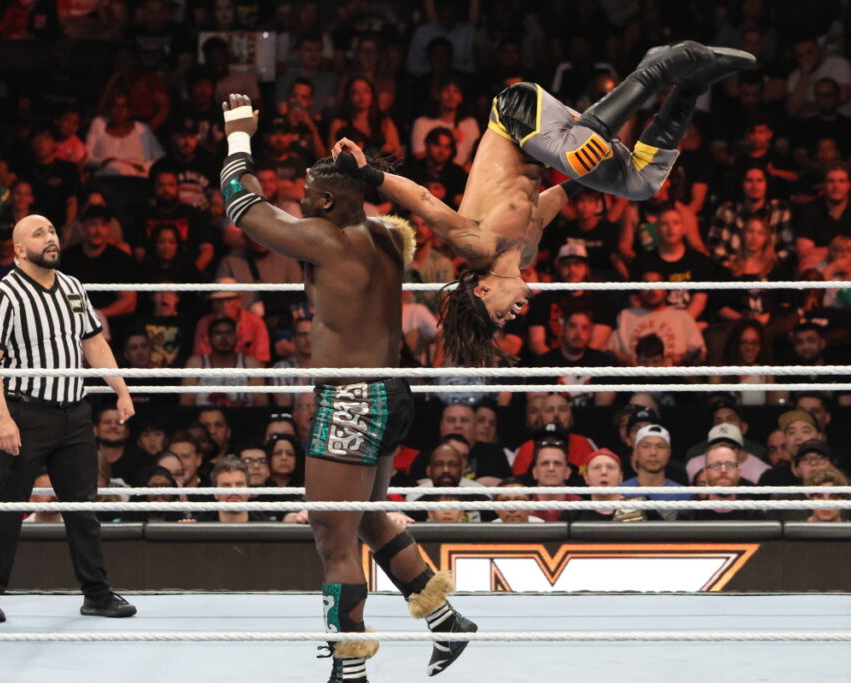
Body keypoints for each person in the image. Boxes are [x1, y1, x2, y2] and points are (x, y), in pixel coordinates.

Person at [220, 94, 475, 681]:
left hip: (354, 396)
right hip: (391, 390)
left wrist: (238, 136)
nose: (301, 203)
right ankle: (444, 618)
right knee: (367, 515)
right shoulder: (388, 237)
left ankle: (349, 667)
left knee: (331, 532)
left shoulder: (326, 240)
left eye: (309, 195)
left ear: (328, 200)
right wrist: (364, 170)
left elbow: (243, 205)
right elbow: (383, 205)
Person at [335, 41, 755, 365]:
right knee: (643, 183)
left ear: (481, 290)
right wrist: (604, 173)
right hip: (555, 138)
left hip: (516, 114)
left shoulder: (476, 247)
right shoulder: (529, 248)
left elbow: (425, 199)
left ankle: (663, 66)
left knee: (578, 156)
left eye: (500, 316)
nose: (513, 315)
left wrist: (365, 172)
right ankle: (693, 84)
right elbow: (559, 193)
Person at [0, 214, 137, 623]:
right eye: (38, 233)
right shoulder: (4, 295)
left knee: (83, 507)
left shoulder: (74, 288)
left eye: (52, 230)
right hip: (27, 414)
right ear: (19, 249)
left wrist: (120, 388)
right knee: (10, 506)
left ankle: (96, 593)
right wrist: (3, 419)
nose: (50, 238)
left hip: (75, 413)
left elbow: (93, 344)